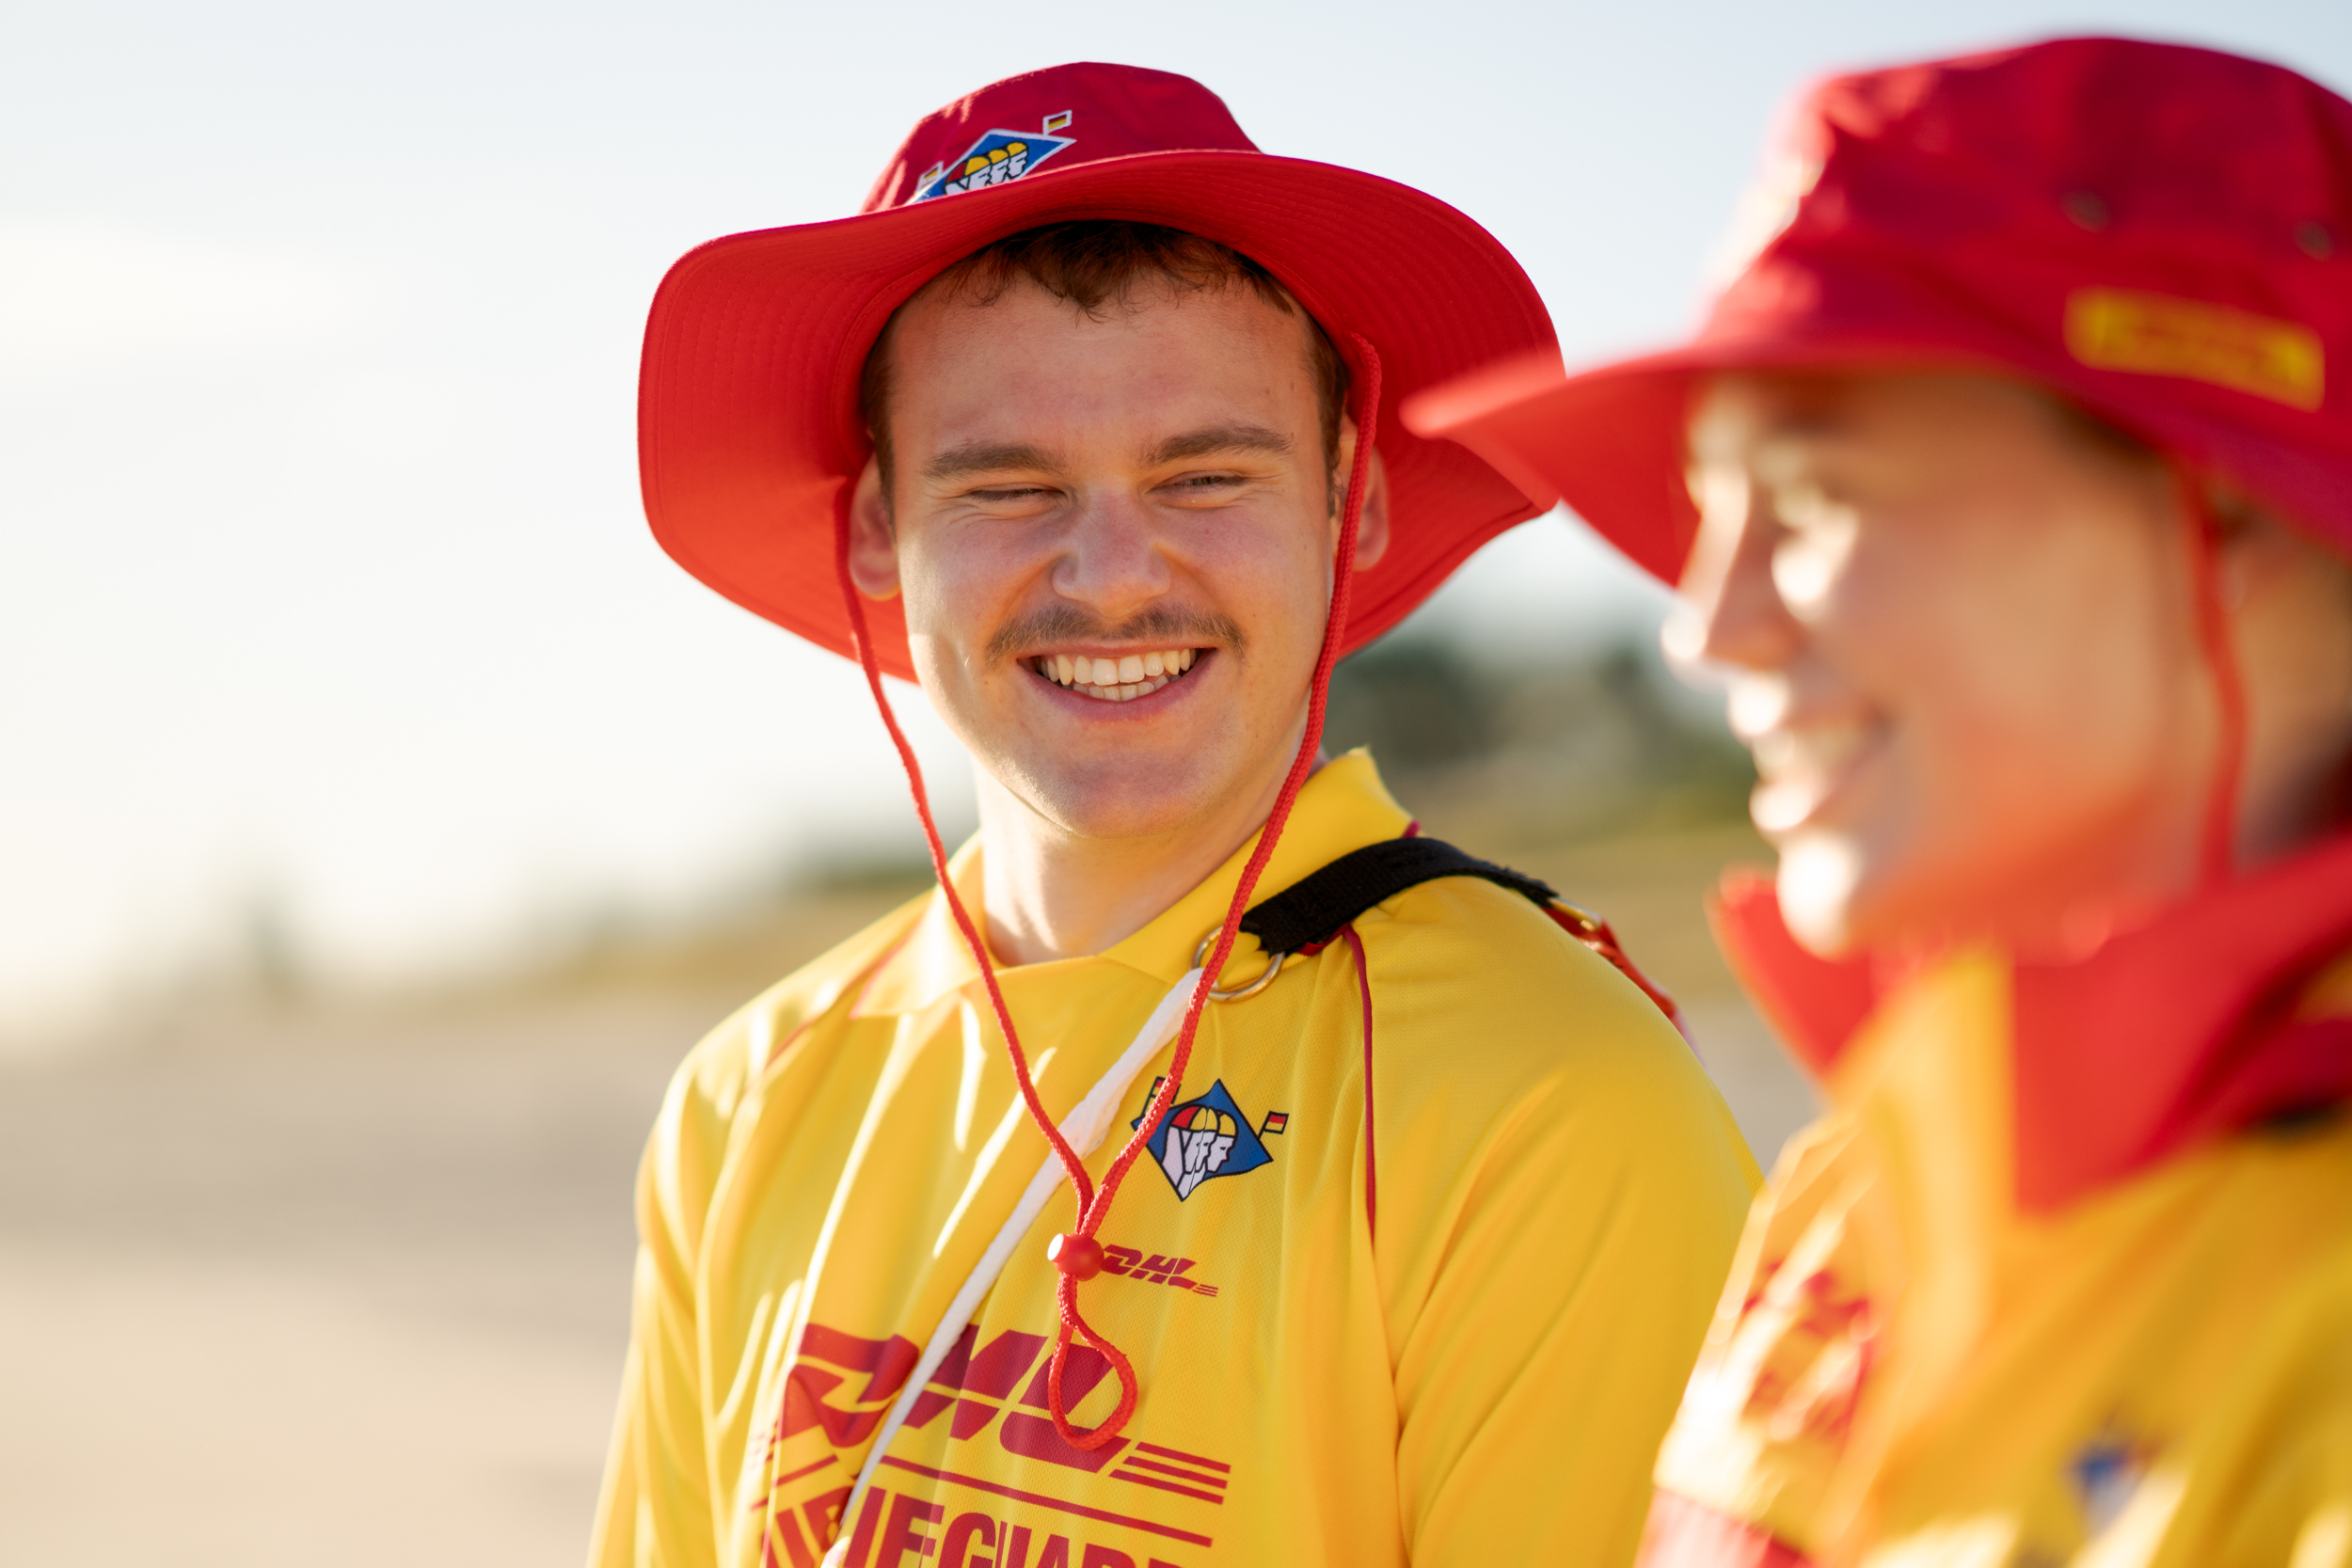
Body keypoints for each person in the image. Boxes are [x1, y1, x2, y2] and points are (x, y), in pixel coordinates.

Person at [591, 61, 1757, 1568]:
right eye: (1006, 488)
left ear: (1354, 505)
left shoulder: (1552, 1098)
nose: (1114, 575)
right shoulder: (751, 1096)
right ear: (879, 528)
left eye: (1204, 475)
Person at [1406, 35, 2352, 1568]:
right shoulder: (1881, 1157)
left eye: (1821, 496)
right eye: (1712, 517)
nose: (1707, 628)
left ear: (2226, 503)